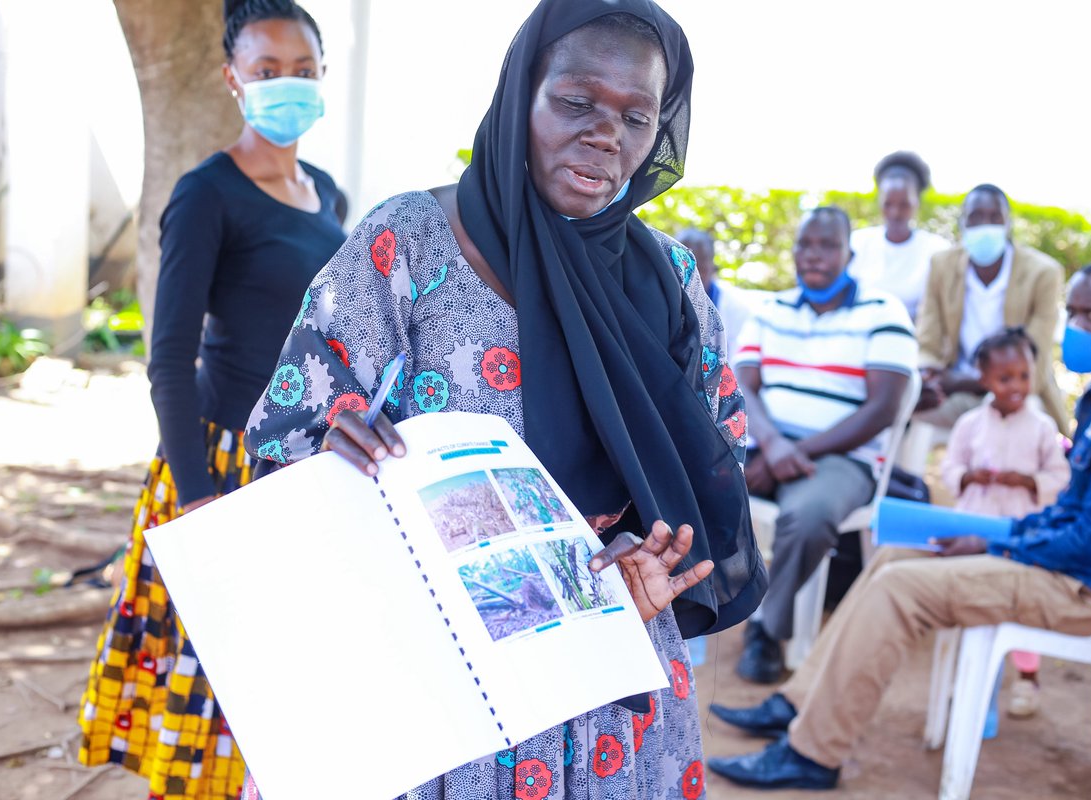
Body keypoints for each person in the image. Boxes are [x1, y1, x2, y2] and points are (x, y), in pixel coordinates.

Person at [242, 2, 767, 798]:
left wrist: (646, 553)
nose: (606, 136)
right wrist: (333, 450)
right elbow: (286, 432)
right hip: (435, 656)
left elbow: (715, 457)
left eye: (636, 116)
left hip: (605, 654)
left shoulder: (668, 280)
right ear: (522, 93)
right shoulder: (409, 241)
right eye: (577, 102)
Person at [706, 260, 1091, 791]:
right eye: (1073, 312)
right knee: (896, 554)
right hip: (1070, 561)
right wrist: (997, 537)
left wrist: (996, 542)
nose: (1078, 327)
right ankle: (796, 704)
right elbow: (1075, 514)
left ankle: (812, 753)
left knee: (900, 589)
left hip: (1086, 588)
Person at [77, 3, 347, 798]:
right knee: (206, 691)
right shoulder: (207, 194)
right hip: (219, 468)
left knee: (281, 692)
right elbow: (167, 358)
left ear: (322, 76)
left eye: (302, 69)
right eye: (267, 72)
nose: (286, 84)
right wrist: (197, 503)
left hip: (299, 470)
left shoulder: (325, 193)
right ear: (234, 80)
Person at [731, 207, 917, 684]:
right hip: (767, 448)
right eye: (804, 244)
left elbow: (883, 409)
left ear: (849, 253)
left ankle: (766, 630)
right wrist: (773, 446)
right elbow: (739, 385)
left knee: (809, 516)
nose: (813, 255)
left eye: (827, 245)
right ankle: (699, 609)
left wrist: (797, 453)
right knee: (682, 477)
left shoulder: (883, 312)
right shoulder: (772, 311)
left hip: (841, 460)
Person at [940, 326, 1071, 718]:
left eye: (1025, 376)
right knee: (972, 602)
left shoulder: (1043, 427)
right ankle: (967, 678)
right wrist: (967, 476)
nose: (1017, 386)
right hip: (974, 526)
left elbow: (1060, 476)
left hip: (1021, 532)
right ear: (984, 380)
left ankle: (1027, 677)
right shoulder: (969, 423)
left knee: (1019, 609)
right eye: (1004, 378)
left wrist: (1029, 481)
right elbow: (950, 464)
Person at [916, 184, 1068, 432]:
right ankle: (893, 472)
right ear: (962, 223)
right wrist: (928, 375)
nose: (985, 226)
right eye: (975, 217)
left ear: (1008, 224)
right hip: (953, 390)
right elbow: (928, 341)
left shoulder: (1042, 273)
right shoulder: (942, 265)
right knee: (902, 405)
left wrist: (969, 382)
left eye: (995, 217)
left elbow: (1034, 362)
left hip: (1016, 389)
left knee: (1021, 419)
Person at [848, 151, 951, 321]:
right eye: (888, 204)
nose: (895, 213)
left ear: (917, 202)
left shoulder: (937, 249)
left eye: (904, 205)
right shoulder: (858, 243)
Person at [676, 228, 754, 353]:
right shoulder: (665, 300)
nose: (693, 276)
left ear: (712, 266)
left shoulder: (735, 308)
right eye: (684, 268)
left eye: (700, 268)